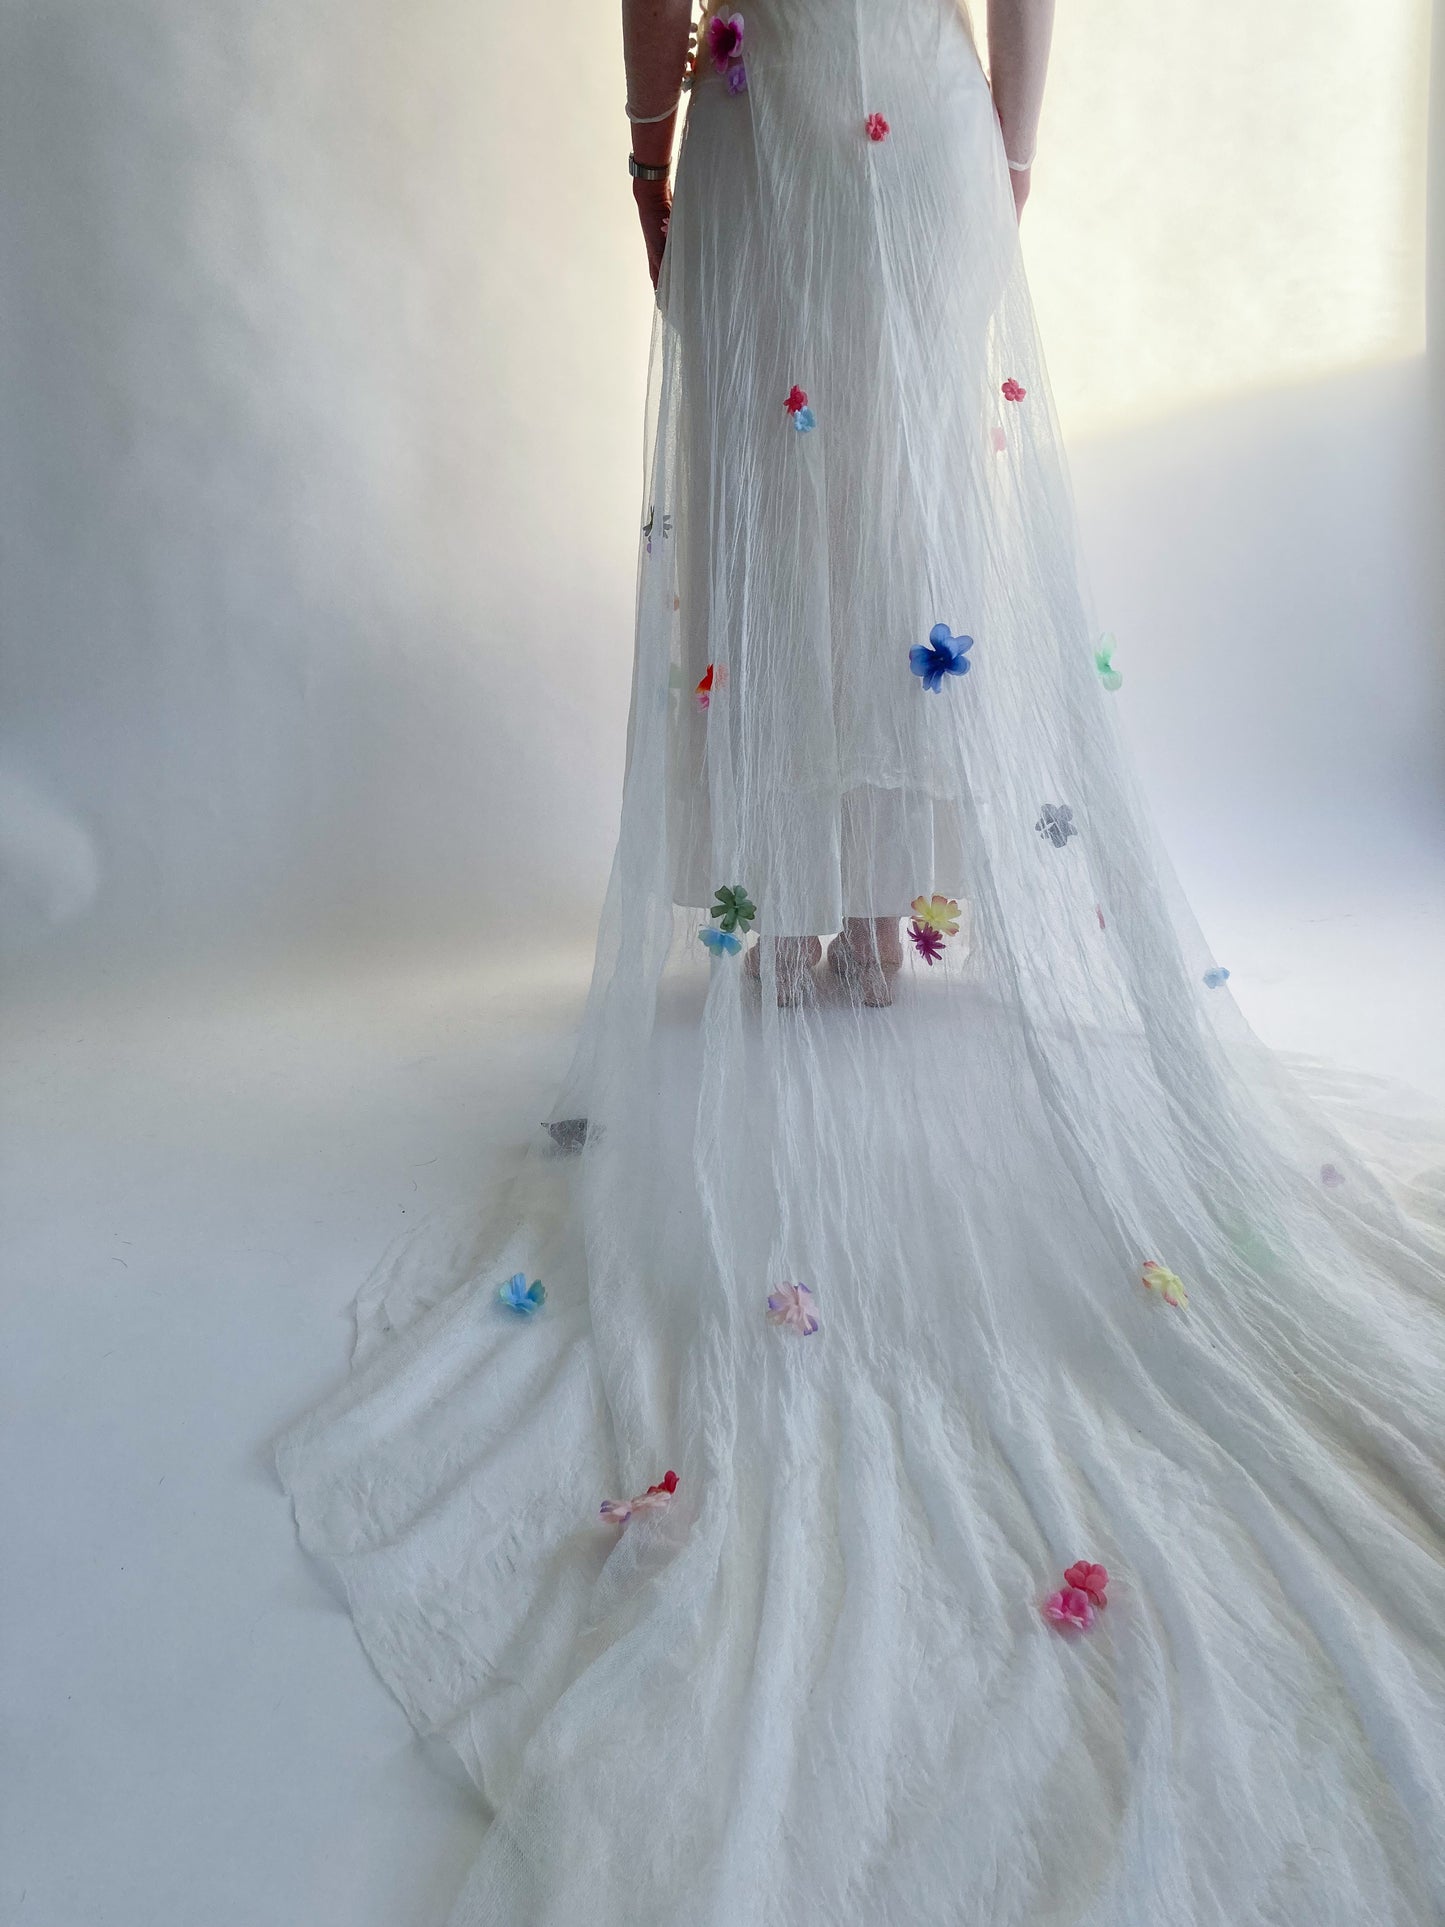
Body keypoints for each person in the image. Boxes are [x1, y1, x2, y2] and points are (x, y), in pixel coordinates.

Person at [278, 3, 1445, 1922]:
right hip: (918, 101)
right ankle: (880, 888)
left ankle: (805, 892)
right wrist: (1011, 144)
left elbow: (656, 2)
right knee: (900, 494)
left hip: (767, 110)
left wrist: (645, 146)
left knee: (778, 493)